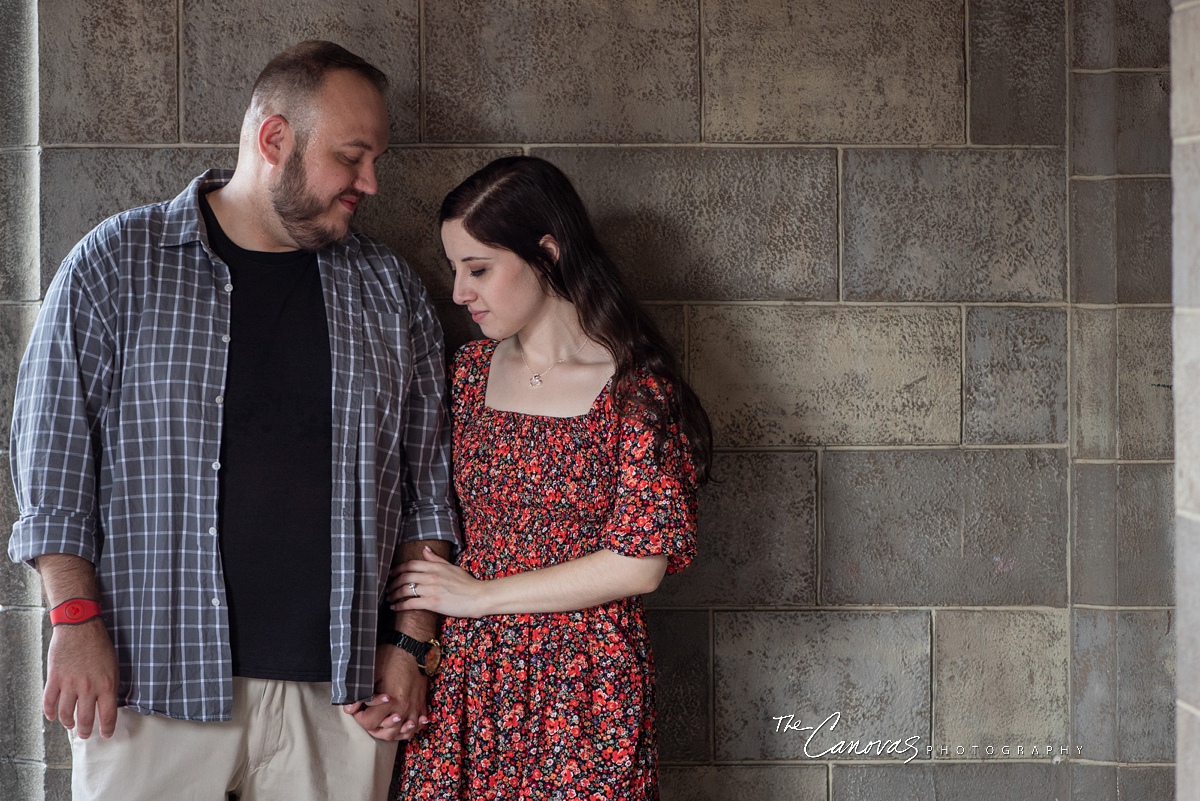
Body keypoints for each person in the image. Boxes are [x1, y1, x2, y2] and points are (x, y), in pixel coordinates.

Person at [7, 40, 459, 801]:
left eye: (375, 160)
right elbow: (52, 463)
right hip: (150, 682)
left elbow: (430, 488)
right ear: (274, 138)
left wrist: (412, 646)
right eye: (352, 158)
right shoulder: (117, 263)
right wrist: (74, 620)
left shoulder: (391, 291)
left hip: (343, 692)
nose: (371, 183)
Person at [390, 155, 712, 799]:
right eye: (455, 268)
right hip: (470, 678)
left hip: (585, 682)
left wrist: (479, 596)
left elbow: (638, 565)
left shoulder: (635, 390)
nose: (459, 292)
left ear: (548, 253)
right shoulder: (467, 372)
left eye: (478, 268)